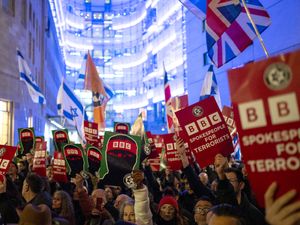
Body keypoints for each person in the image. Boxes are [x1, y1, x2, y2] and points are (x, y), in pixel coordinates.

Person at [214, 154, 266, 225]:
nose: (227, 184)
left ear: (241, 185)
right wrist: (220, 175)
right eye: (226, 181)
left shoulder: (254, 214)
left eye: (231, 181)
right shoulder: (219, 208)